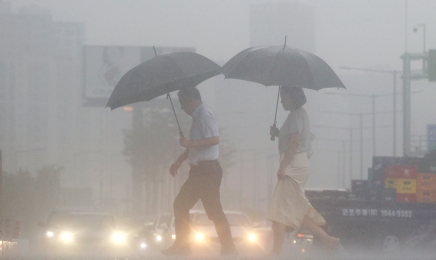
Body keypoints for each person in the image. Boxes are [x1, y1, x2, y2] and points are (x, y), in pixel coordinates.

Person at [161, 87, 237, 257]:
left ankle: (228, 248)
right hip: (199, 172)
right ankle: (185, 245)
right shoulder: (197, 118)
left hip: (207, 171)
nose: (182, 107)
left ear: (193, 100)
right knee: (185, 206)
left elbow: (214, 139)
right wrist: (180, 160)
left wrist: (190, 144)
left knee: (210, 210)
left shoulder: (204, 115)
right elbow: (196, 145)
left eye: (183, 103)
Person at [267, 86, 340, 256]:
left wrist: (283, 166)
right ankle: (328, 240)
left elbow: (295, 142)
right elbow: (294, 138)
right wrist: (277, 133)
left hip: (293, 166)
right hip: (297, 165)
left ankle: (275, 253)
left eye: (284, 97)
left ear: (293, 97)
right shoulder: (297, 115)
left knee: (279, 212)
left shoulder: (296, 114)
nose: (282, 101)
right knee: (296, 209)